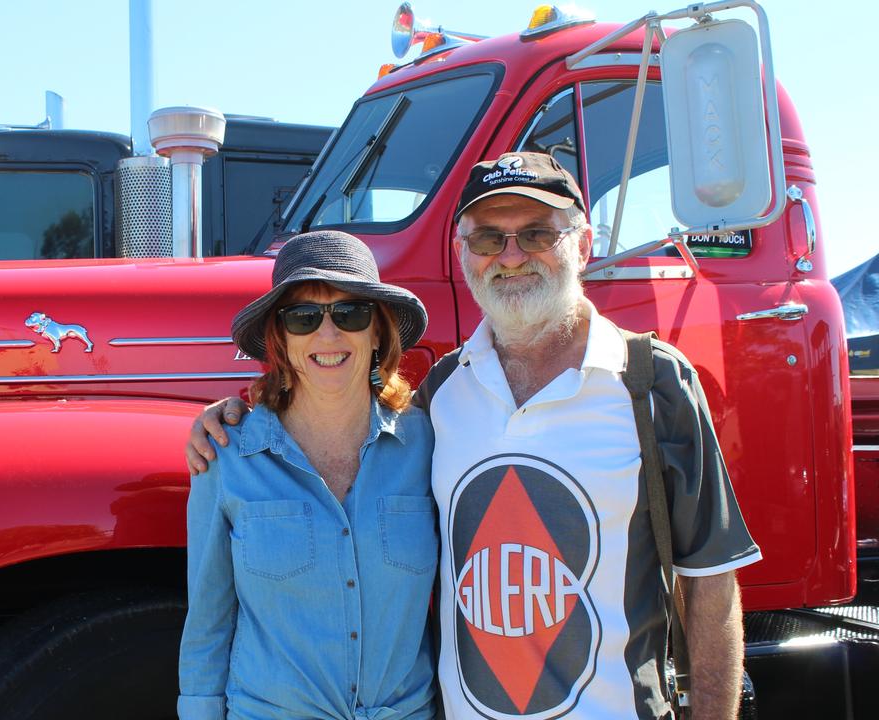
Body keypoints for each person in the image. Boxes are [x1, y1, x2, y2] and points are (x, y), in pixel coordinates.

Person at [186, 152, 761, 719]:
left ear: (583, 246)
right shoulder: (445, 394)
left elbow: (710, 583)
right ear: (465, 255)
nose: (511, 256)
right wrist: (235, 415)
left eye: (537, 234)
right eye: (489, 239)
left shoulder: (650, 383)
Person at [177, 230, 439, 720]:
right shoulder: (227, 455)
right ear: (279, 338)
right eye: (302, 317)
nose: (328, 334)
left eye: (351, 313)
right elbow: (208, 622)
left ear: (378, 331)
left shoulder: (429, 445)